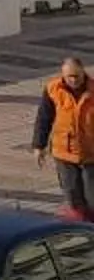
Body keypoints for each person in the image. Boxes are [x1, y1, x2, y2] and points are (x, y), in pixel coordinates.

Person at [32, 57, 94, 219]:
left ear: (83, 73)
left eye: (76, 76)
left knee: (92, 197)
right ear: (63, 75)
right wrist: (39, 146)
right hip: (64, 152)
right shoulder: (53, 89)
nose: (73, 80)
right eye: (69, 77)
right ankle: (80, 228)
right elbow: (44, 118)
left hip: (91, 153)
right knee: (72, 195)